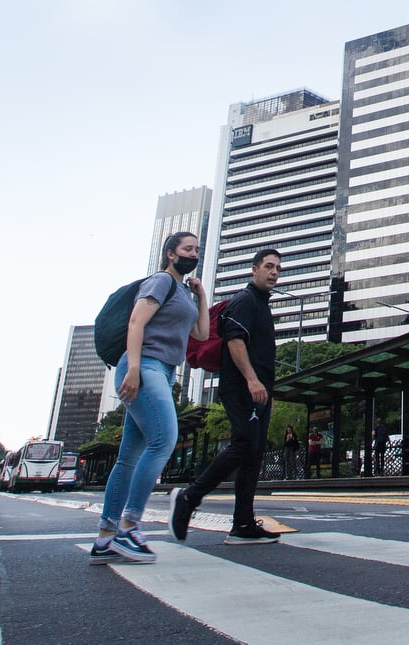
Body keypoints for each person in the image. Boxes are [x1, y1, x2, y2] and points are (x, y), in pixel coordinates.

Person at [90, 230, 206, 566]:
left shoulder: (183, 291)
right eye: (188, 249)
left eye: (197, 250)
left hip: (164, 371)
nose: (194, 254)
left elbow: (199, 333)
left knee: (129, 456)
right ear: (171, 253)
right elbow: (136, 322)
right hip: (145, 366)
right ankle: (128, 527)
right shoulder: (160, 281)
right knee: (164, 440)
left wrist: (201, 296)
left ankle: (105, 537)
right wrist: (135, 369)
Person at [172, 247, 283, 545]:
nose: (273, 272)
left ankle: (243, 524)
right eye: (268, 266)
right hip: (243, 387)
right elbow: (234, 341)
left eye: (277, 269)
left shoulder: (261, 304)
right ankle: (189, 496)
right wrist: (251, 380)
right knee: (244, 444)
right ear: (254, 269)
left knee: (253, 453)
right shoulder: (245, 301)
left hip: (258, 391)